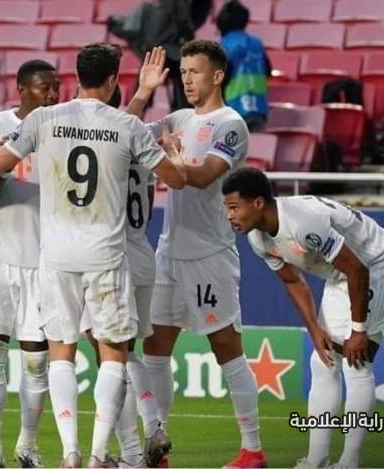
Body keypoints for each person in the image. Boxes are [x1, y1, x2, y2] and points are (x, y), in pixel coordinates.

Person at [0, 42, 187, 468]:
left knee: (61, 354)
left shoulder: (45, 118)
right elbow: (177, 179)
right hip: (106, 256)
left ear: (76, 76)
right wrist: (174, 153)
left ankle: (69, 451)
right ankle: (97, 454)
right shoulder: (127, 126)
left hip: (56, 256)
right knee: (114, 356)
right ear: (113, 80)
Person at [127, 41, 267, 468]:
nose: (187, 79)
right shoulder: (178, 118)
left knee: (226, 349)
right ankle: (157, 444)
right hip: (169, 253)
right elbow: (120, 134)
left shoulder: (231, 125)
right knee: (155, 348)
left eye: (195, 71)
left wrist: (168, 160)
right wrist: (143, 91)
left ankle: (252, 450)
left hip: (209, 255)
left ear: (217, 75)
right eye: (183, 72)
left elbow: (204, 176)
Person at [221, 168, 384, 468]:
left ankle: (350, 462)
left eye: (234, 207)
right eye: (226, 208)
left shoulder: (302, 222)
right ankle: (317, 460)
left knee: (356, 361)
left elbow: (358, 269)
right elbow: (293, 282)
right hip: (342, 274)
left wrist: (358, 330)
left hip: (379, 264)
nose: (229, 216)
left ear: (258, 203)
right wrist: (314, 329)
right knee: (322, 361)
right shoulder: (258, 239)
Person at [0, 59, 60, 468]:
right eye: (43, 87)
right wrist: (1, 163)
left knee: (37, 359)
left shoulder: (61, 129)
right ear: (22, 88)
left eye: (56, 87)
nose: (52, 95)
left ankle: (28, 445)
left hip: (43, 259)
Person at [80, 85, 170, 468]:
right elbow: (147, 204)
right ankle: (153, 427)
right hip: (141, 252)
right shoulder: (138, 139)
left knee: (109, 359)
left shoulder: (94, 142)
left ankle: (132, 453)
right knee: (125, 352)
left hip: (109, 257)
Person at [216, 0, 271, 132]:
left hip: (234, 109)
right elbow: (268, 71)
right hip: (258, 109)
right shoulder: (256, 44)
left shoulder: (224, 45)